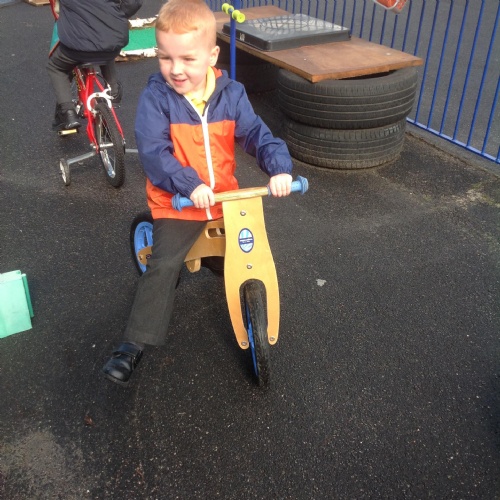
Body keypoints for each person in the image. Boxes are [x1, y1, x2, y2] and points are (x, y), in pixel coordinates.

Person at [102, 0, 294, 386]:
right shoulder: (157, 98)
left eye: (187, 59)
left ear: (212, 56)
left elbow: (255, 134)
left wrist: (279, 168)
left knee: (248, 255)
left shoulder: (231, 95)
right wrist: (190, 185)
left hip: (224, 200)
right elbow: (154, 153)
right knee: (164, 265)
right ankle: (132, 344)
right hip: (178, 201)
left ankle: (244, 301)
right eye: (165, 57)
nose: (175, 69)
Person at [47, 0, 143, 132]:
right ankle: (113, 90)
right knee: (105, 51)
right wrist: (116, 13)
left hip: (77, 44)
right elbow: (134, 2)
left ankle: (68, 113)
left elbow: (56, 9)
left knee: (56, 67)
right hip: (113, 39)